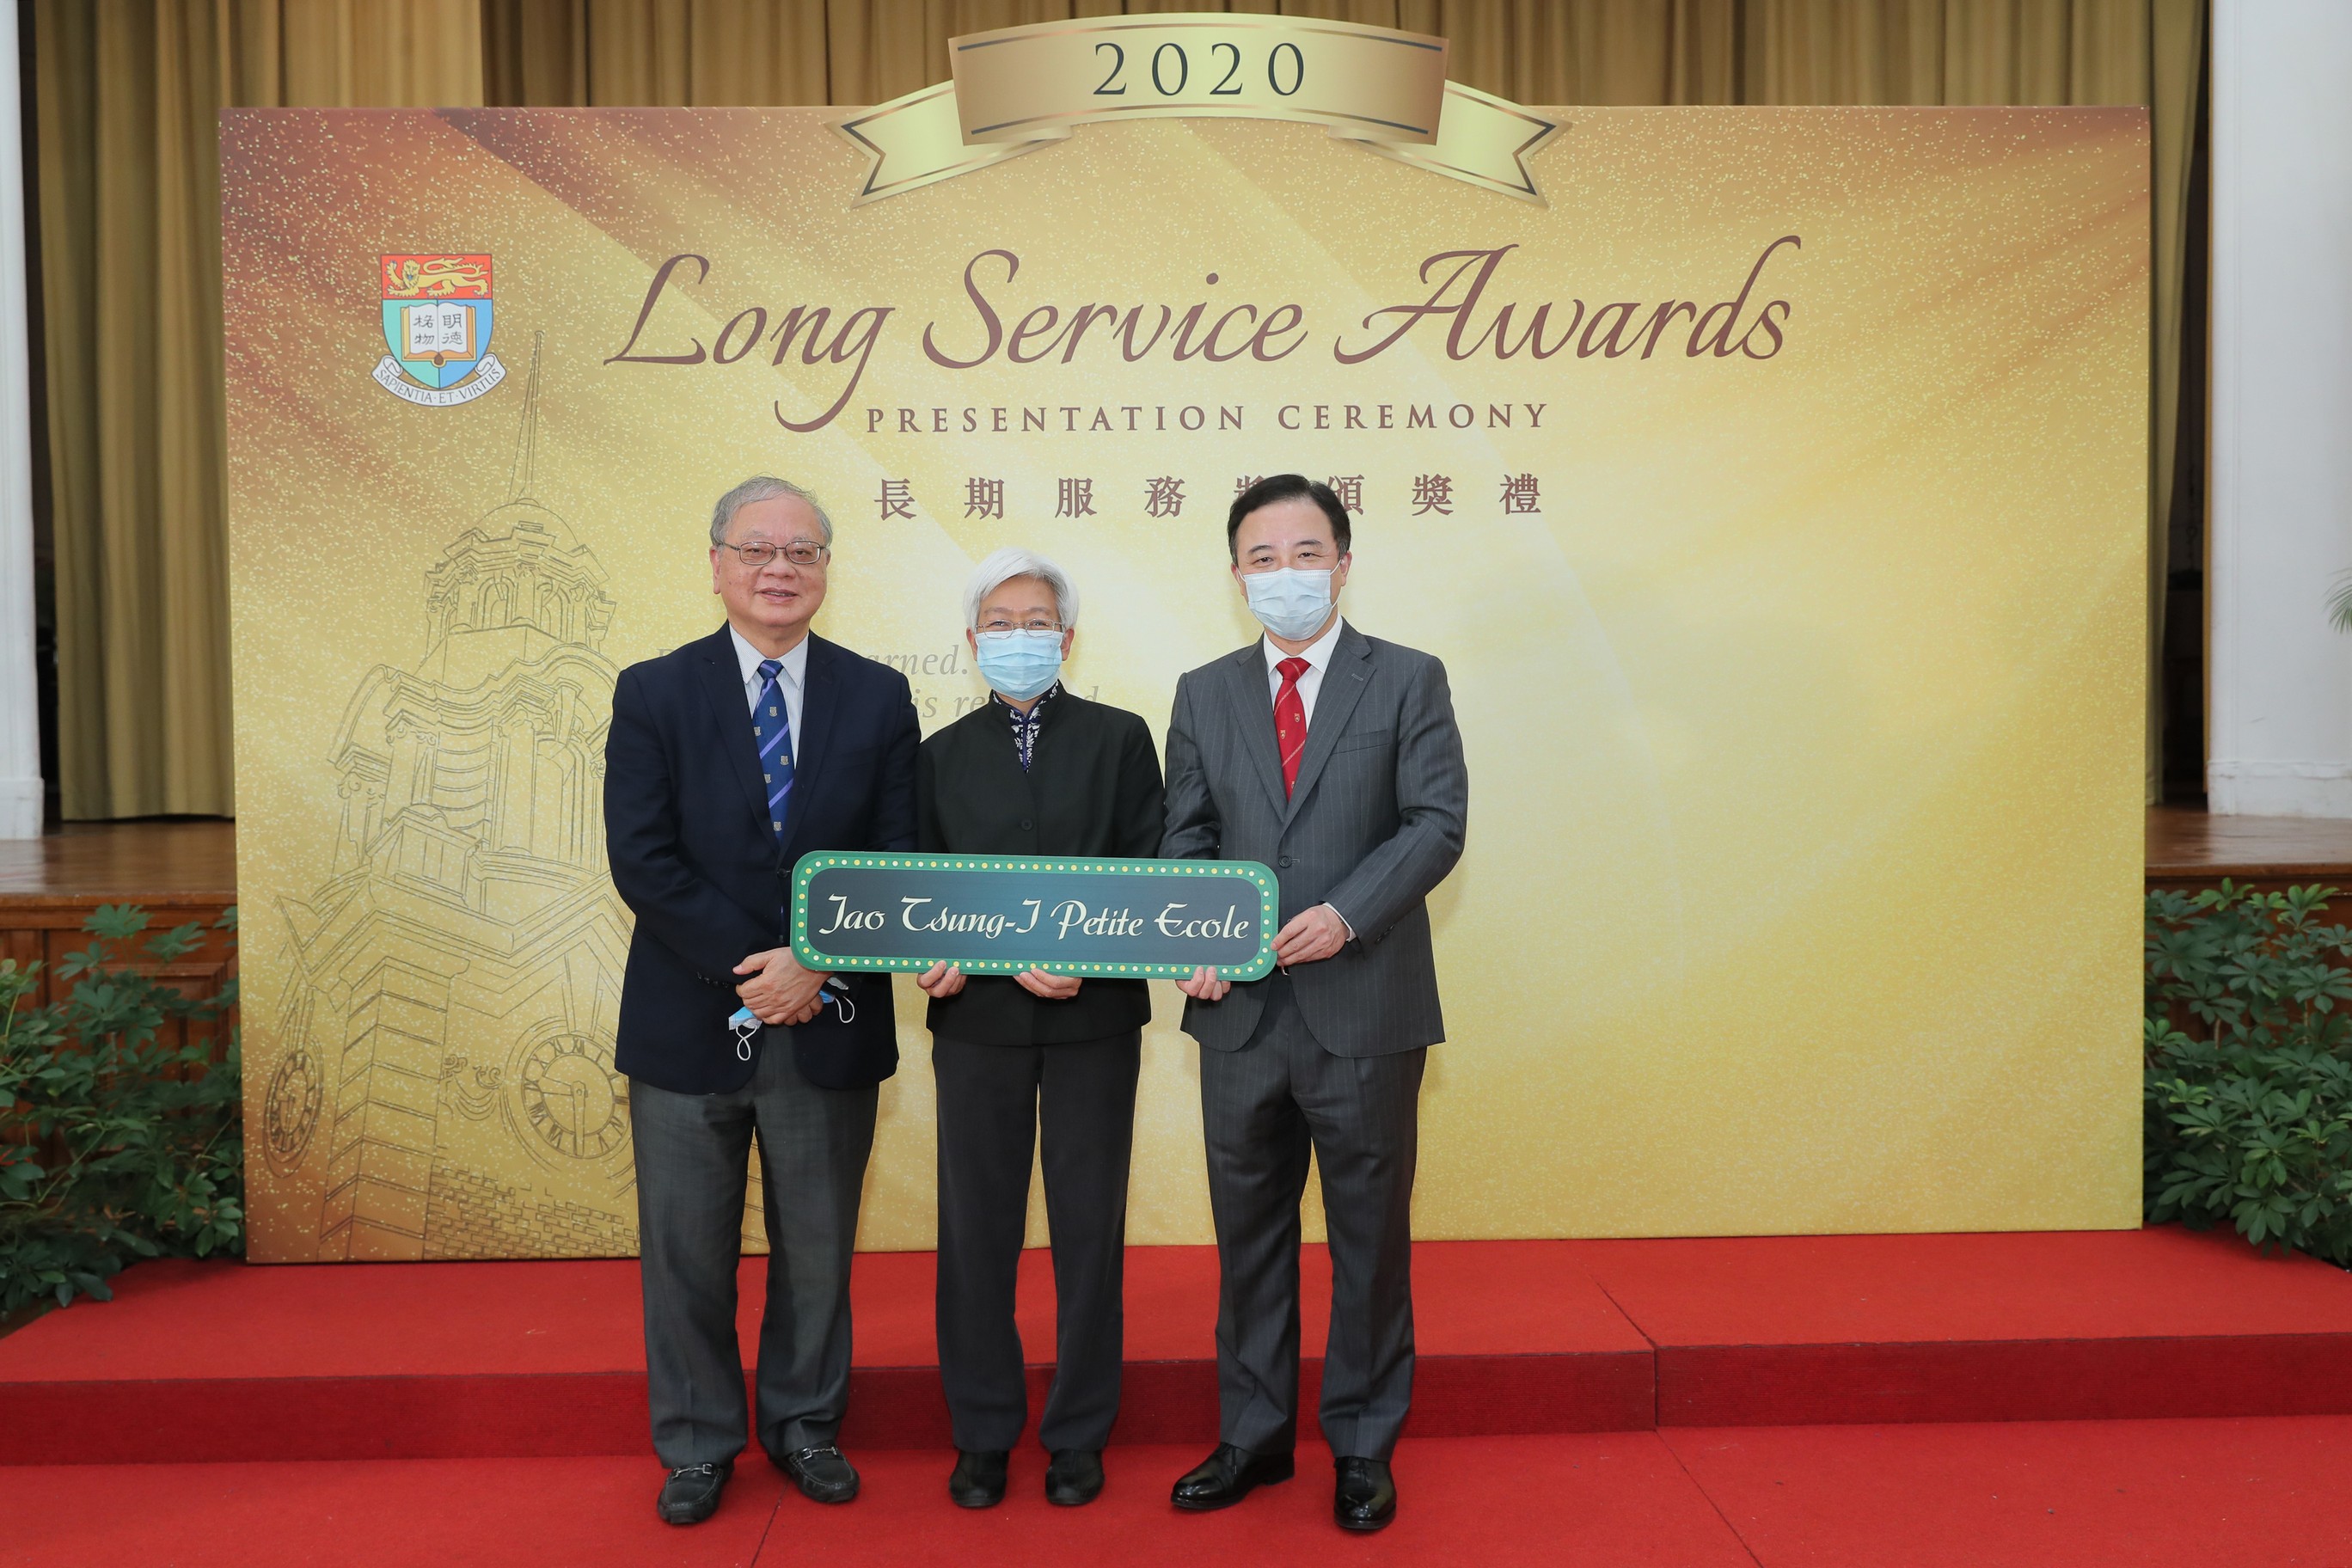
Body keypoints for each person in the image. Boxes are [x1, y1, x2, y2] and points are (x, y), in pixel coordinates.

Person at [604, 475, 918, 1527]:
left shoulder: (878, 696)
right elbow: (644, 860)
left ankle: (805, 1426)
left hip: (831, 1020)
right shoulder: (653, 692)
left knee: (818, 1252)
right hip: (687, 1024)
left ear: (826, 568)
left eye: (802, 551)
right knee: (686, 1255)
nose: (779, 568)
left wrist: (818, 962)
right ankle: (697, 1444)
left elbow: (897, 853)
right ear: (717, 564)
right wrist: (764, 967)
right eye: (757, 549)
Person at [1160, 475, 1468, 1534]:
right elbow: (1186, 836)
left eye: (1304, 554)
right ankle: (1251, 1437)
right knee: (1247, 1235)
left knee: (1368, 1239)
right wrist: (1194, 934)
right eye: (1262, 557)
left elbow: (1435, 823)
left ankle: (1364, 1444)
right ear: (1235, 573)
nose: (1283, 574)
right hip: (1240, 1016)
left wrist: (1346, 914)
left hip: (1365, 1005)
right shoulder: (1204, 691)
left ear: (1342, 563)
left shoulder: (1408, 677)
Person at [912, 548, 1165, 1510]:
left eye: (1037, 622)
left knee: (1089, 1230)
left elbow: (1150, 872)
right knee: (975, 1232)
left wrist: (1090, 953)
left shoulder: (1120, 739)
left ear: (1067, 637)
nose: (1019, 637)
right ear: (972, 640)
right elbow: (919, 887)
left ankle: (1079, 1432)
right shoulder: (936, 754)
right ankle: (981, 1432)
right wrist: (945, 953)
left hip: (1094, 1019)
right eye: (1000, 623)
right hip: (975, 1021)